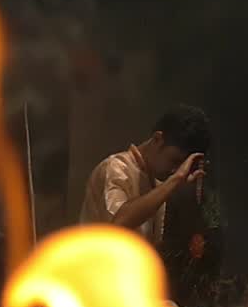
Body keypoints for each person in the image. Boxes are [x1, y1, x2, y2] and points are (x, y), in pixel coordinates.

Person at [78, 105, 211, 246]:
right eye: (175, 161)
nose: (176, 170)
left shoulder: (156, 180)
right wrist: (176, 180)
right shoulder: (116, 168)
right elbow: (118, 224)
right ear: (158, 139)